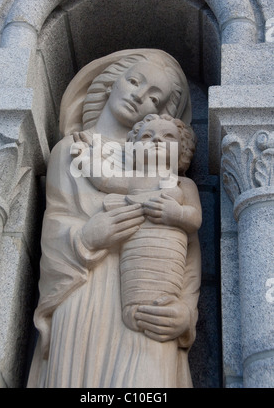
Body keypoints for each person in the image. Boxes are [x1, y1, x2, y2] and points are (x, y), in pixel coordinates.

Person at [27, 49, 201, 388]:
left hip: (151, 293)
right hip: (83, 291)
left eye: (154, 98)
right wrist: (89, 236)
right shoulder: (73, 150)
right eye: (134, 81)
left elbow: (188, 249)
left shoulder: (168, 173)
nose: (139, 96)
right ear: (110, 83)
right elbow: (55, 227)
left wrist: (186, 312)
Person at [73, 113, 202, 333]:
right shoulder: (133, 180)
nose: (156, 140)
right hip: (137, 250)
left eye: (168, 136)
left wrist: (177, 214)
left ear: (182, 150)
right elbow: (103, 179)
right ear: (133, 149)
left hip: (169, 252)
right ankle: (134, 309)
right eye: (147, 136)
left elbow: (195, 218)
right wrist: (86, 156)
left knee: (164, 290)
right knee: (137, 289)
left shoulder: (184, 184)